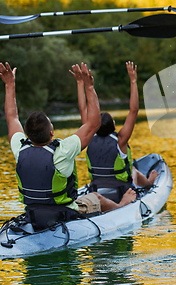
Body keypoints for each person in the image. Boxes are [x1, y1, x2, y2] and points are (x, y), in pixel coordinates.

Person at [0, 62, 136, 229]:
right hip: (64, 214)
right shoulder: (63, 150)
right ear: (51, 133)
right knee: (95, 197)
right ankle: (122, 205)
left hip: (32, 213)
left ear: (27, 134)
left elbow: (12, 117)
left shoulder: (20, 149)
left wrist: (9, 84)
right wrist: (90, 86)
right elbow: (93, 124)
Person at [71, 61, 158, 203]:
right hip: (122, 193)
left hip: (97, 190)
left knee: (133, 171)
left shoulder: (88, 135)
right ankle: (148, 183)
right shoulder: (121, 140)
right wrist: (133, 81)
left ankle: (147, 182)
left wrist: (80, 83)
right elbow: (133, 110)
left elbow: (82, 108)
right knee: (133, 171)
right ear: (113, 125)